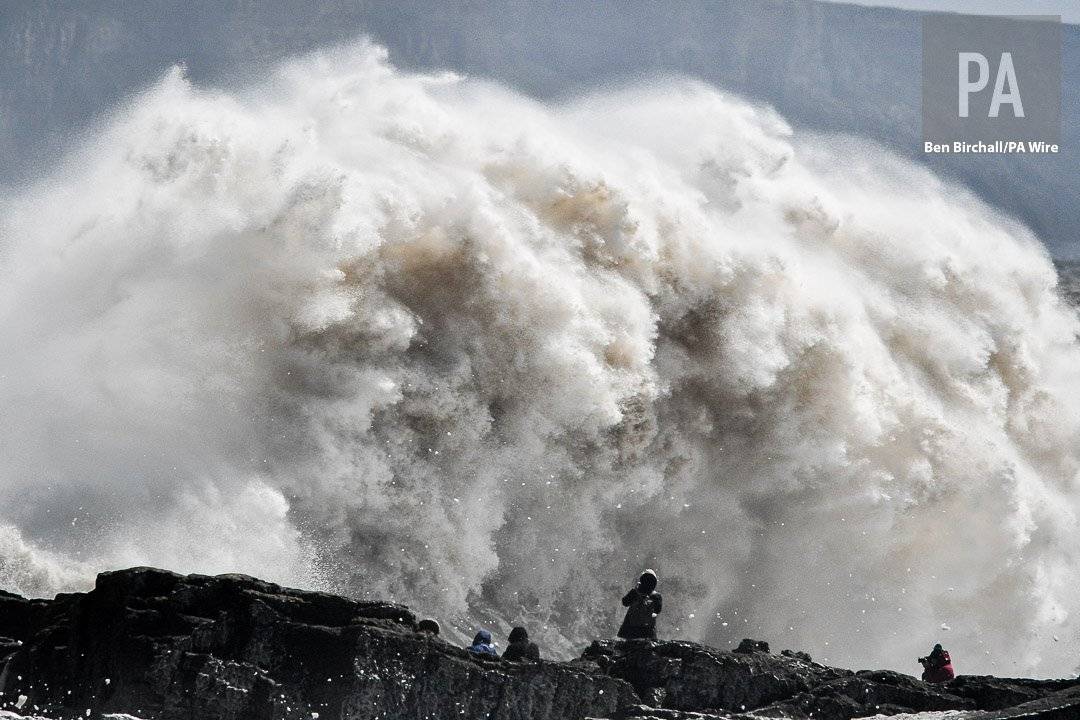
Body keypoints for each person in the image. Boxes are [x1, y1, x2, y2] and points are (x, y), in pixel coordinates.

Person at [617, 569, 663, 639]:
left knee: (629, 646)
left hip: (631, 627)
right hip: (647, 628)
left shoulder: (635, 593)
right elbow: (658, 610)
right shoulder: (656, 596)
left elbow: (625, 602)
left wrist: (635, 591)